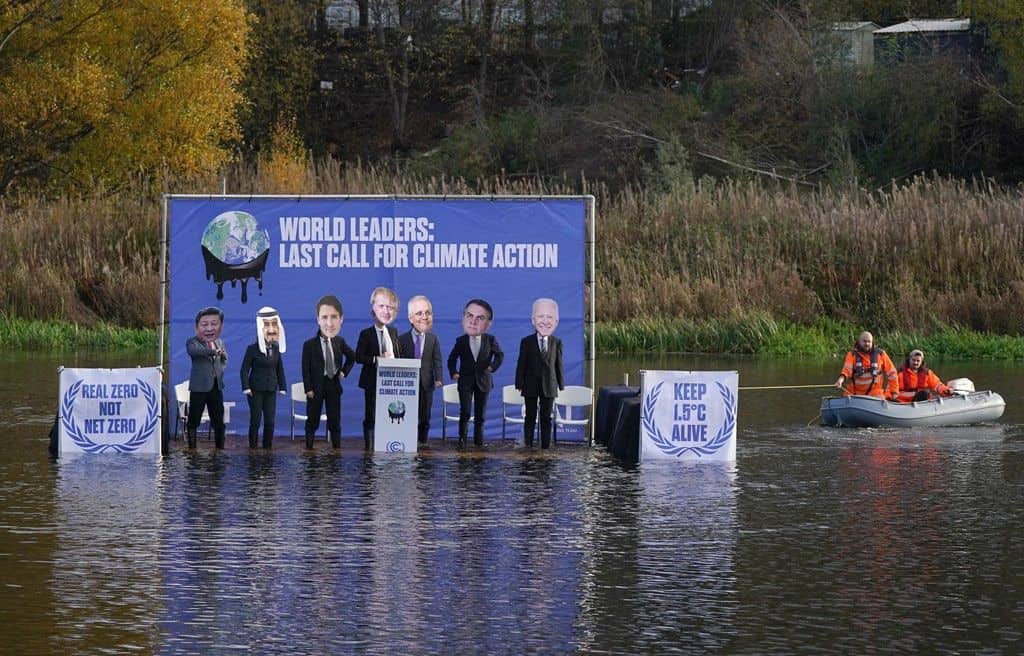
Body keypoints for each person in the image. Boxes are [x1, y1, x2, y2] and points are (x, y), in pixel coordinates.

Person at [301, 295, 355, 450]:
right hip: (316, 388)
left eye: (333, 317)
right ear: (318, 320)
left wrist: (344, 371)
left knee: (334, 420)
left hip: (333, 385)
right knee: (313, 420)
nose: (328, 322)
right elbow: (305, 369)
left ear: (340, 320)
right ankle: (309, 449)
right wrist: (308, 388)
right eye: (324, 317)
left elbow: (352, 356)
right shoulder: (309, 345)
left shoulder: (340, 341)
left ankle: (336, 449)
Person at [447, 298, 503, 448]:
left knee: (480, 416)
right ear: (463, 318)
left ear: (488, 324)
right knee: (464, 413)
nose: (473, 321)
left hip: (483, 382)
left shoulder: (491, 340)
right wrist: (454, 372)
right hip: (465, 381)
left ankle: (479, 443)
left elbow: (500, 355)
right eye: (469, 316)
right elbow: (451, 358)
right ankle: (462, 441)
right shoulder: (461, 341)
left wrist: (492, 367)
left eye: (480, 318)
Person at [355, 287, 404, 450]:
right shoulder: (365, 334)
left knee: (389, 415)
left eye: (390, 307)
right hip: (372, 381)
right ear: (373, 309)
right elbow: (359, 357)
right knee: (371, 415)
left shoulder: (394, 332)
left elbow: (397, 355)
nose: (386, 311)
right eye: (382, 306)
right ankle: (369, 447)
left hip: (392, 382)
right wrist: (377, 359)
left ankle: (388, 444)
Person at [515, 298, 565, 449]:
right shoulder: (526, 342)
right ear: (533, 320)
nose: (545, 321)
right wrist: (519, 383)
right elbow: (521, 364)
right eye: (541, 317)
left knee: (546, 418)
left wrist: (561, 384)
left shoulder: (556, 342)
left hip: (549, 386)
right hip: (530, 385)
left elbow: (559, 365)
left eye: (549, 317)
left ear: (556, 321)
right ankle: (528, 445)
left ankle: (545, 446)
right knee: (530, 417)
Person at [398, 295, 444, 446]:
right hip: (407, 385)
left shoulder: (433, 339)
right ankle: (407, 441)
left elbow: (437, 360)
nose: (424, 317)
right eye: (419, 313)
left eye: (427, 312)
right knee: (407, 414)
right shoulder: (401, 339)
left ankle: (423, 442)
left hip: (426, 383)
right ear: (410, 318)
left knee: (425, 416)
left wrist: (438, 378)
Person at [239, 306, 288, 449]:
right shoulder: (252, 349)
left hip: (271, 389)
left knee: (270, 421)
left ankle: (268, 448)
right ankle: (253, 448)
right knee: (255, 420)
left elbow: (279, 368)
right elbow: (244, 370)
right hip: (255, 390)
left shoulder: (276, 349)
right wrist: (246, 387)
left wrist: (282, 386)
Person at [186, 306, 227, 450]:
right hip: (199, 387)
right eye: (204, 325)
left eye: (214, 324)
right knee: (194, 420)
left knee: (218, 421)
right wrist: (213, 351)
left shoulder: (219, 342)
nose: (209, 329)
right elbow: (195, 352)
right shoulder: (192, 342)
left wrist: (220, 367)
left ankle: (219, 449)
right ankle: (192, 450)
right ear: (197, 327)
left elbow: (224, 360)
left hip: (216, 386)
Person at [834, 331, 899, 400]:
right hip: (855, 393)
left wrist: (894, 392)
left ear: (872, 342)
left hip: (875, 394)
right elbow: (846, 371)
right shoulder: (852, 355)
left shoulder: (881, 354)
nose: (867, 344)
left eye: (869, 342)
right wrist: (840, 380)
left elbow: (892, 373)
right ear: (859, 342)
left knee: (882, 399)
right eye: (864, 341)